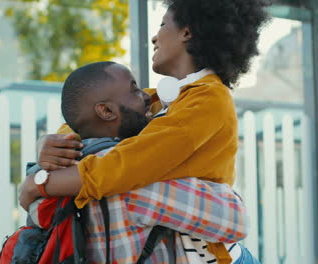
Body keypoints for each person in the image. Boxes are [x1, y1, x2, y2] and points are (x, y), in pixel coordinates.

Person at [20, 0, 269, 262]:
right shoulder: (168, 99)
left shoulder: (208, 102)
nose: (154, 37)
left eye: (162, 25)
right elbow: (91, 115)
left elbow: (128, 164)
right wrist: (52, 142)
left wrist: (40, 184)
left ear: (187, 32)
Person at [27, 61, 249, 263]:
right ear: (106, 110)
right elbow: (235, 221)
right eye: (134, 90)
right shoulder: (131, 181)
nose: (146, 96)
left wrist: (36, 178)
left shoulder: (53, 168)